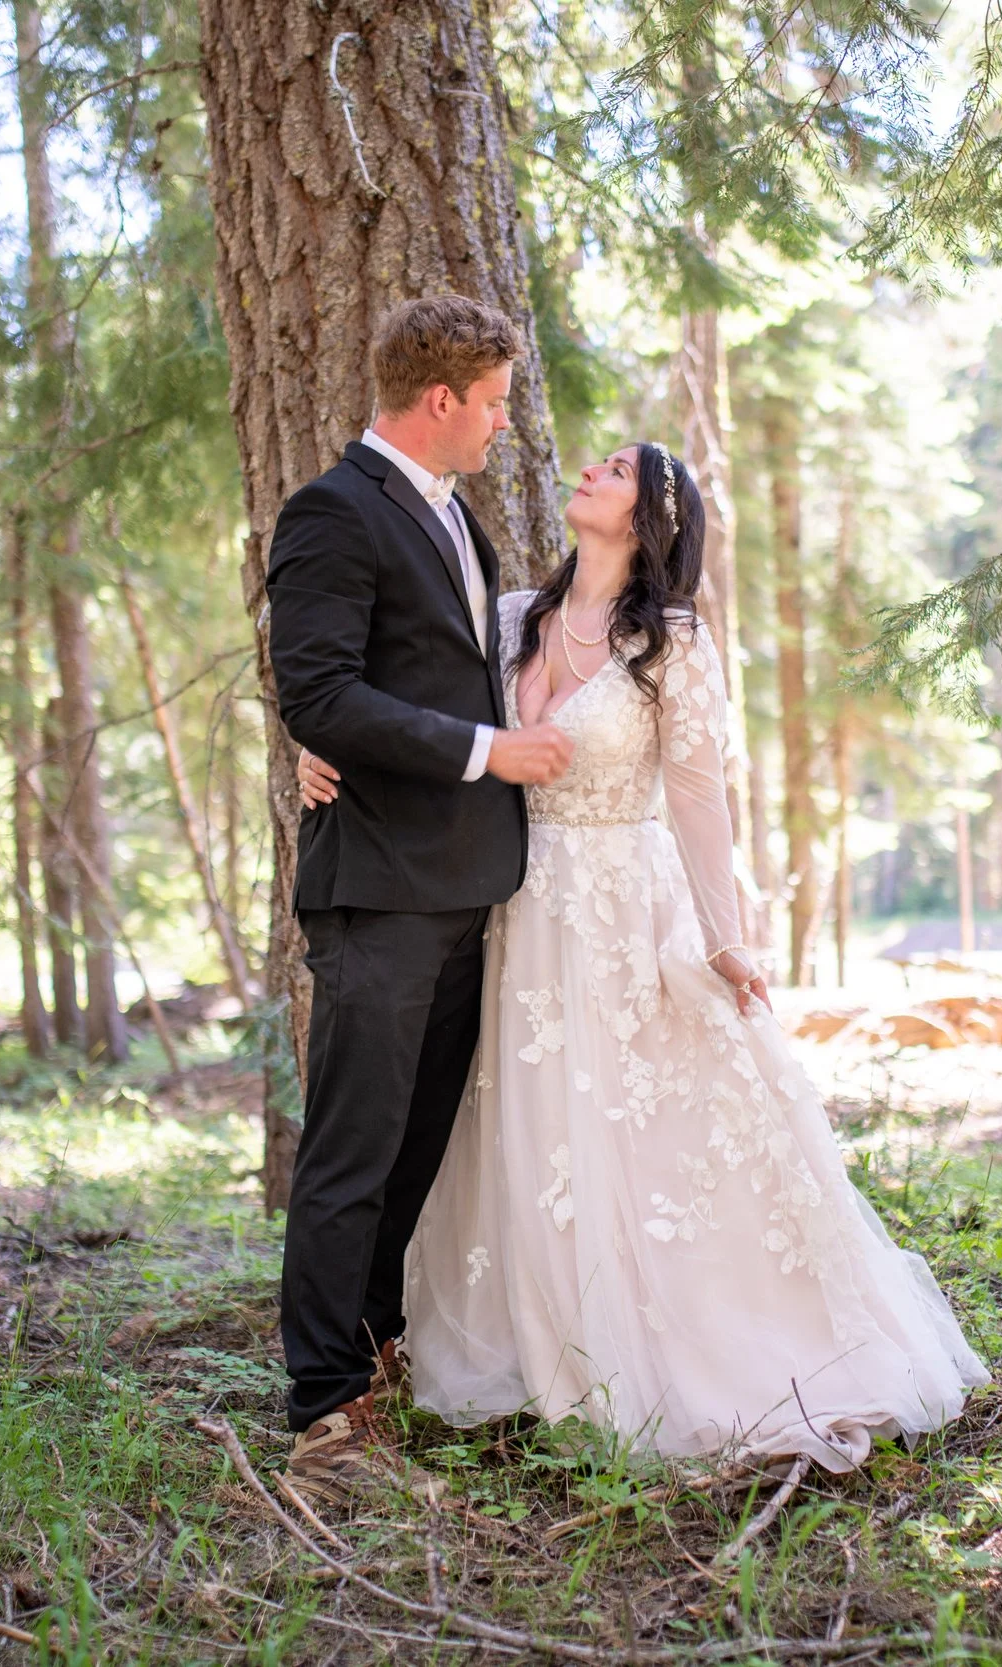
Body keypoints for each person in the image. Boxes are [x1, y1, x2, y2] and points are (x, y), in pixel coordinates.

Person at [296, 439, 989, 1476]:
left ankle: (673, 1343)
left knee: (641, 1131)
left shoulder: (671, 642)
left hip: (625, 908)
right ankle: (518, 1344)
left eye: (615, 470)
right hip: (506, 909)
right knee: (519, 1130)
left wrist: (725, 934)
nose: (587, 472)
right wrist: (325, 741)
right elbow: (413, 711)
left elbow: (700, 798)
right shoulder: (505, 617)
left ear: (651, 515)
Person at [264, 295, 575, 1502]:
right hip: (381, 890)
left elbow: (403, 671)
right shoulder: (332, 512)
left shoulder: (457, 514)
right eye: (492, 403)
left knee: (414, 1152)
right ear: (439, 400)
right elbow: (322, 695)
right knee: (352, 1148)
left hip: (464, 884)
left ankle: (378, 1355)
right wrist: (485, 753)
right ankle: (323, 1410)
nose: (503, 424)